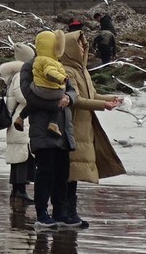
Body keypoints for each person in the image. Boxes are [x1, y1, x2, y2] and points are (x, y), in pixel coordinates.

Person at [61, 29, 126, 228]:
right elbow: (76, 100)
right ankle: (66, 213)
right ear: (70, 47)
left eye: (83, 45)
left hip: (84, 127)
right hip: (72, 127)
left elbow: (92, 94)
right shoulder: (67, 70)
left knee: (74, 171)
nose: (83, 48)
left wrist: (111, 99)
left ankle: (70, 212)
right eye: (79, 45)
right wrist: (102, 106)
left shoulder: (82, 70)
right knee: (70, 171)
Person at [21, 30, 79, 231]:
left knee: (62, 173)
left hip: (64, 129)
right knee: (45, 173)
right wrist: (56, 104)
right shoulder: (30, 67)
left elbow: (72, 89)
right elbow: (29, 95)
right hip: (43, 130)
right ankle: (42, 213)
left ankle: (60, 212)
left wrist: (69, 98)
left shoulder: (58, 65)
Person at [0, 42, 37, 205]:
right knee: (23, 155)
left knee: (18, 156)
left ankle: (17, 191)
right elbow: (22, 96)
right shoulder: (21, 74)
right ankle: (20, 191)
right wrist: (38, 98)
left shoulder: (15, 74)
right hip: (21, 118)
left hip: (15, 118)